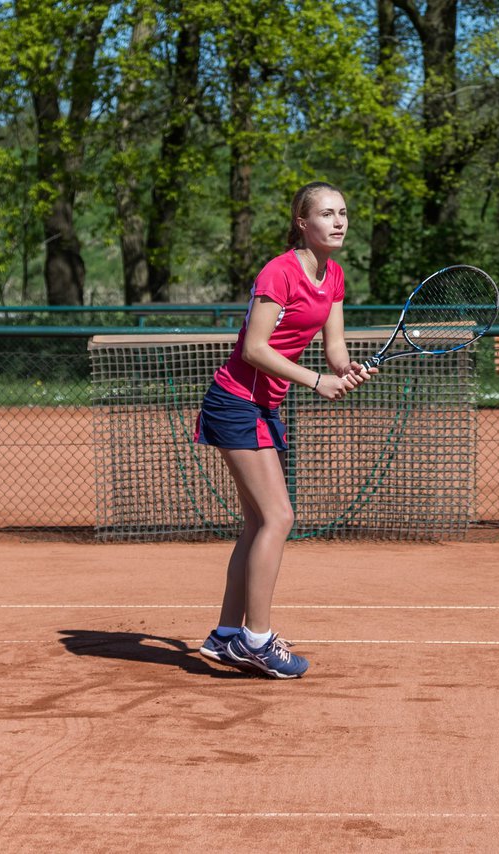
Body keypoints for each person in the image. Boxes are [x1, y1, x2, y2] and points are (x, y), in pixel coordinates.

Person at [192, 181, 375, 678]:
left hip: (263, 406)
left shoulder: (333, 275)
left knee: (257, 524)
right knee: (279, 518)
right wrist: (316, 381)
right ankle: (256, 639)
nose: (338, 222)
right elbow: (254, 348)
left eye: (343, 213)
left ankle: (227, 635)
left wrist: (344, 370)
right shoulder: (279, 272)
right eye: (326, 214)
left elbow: (334, 347)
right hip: (236, 402)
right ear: (302, 222)